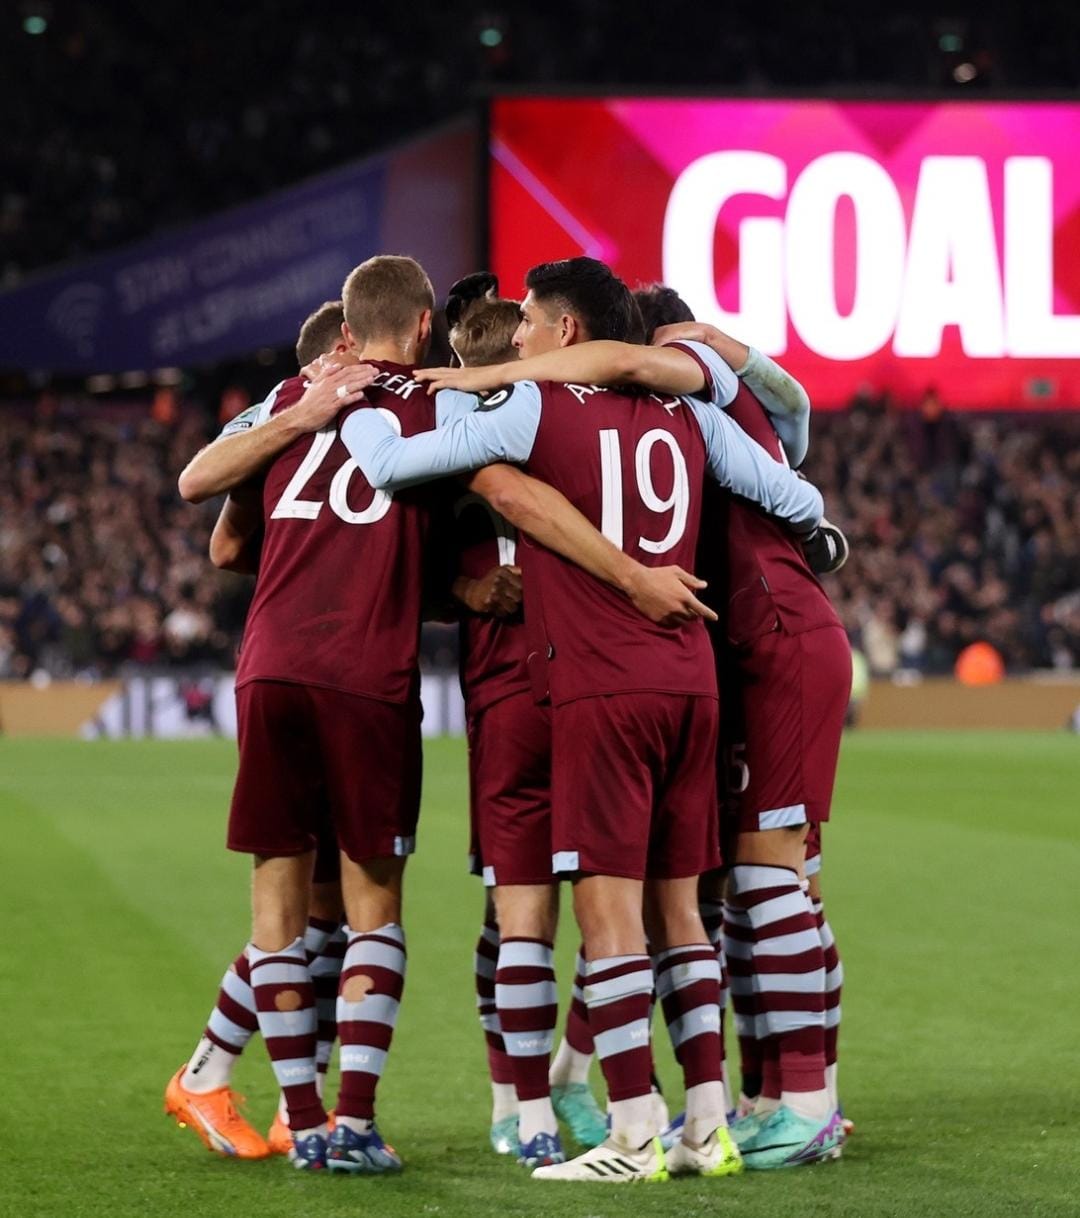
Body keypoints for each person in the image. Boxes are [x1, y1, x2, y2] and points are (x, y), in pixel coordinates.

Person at [340, 256, 828, 1183]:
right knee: (683, 915)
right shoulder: (690, 414)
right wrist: (820, 540)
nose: (516, 336)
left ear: (568, 332)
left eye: (527, 320)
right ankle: (707, 1129)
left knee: (610, 923)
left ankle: (633, 1137)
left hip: (603, 686)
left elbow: (394, 463)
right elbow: (790, 490)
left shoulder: (535, 409)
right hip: (694, 682)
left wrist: (360, 401)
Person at [164, 301, 357, 1162]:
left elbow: (226, 547)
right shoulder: (291, 409)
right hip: (306, 671)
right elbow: (217, 532)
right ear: (333, 358)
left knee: (330, 915)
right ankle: (213, 1075)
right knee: (308, 914)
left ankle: (278, 1095)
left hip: (326, 668)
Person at [445, 275, 608, 1167]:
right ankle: (526, 1097)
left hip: (535, 699)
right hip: (553, 694)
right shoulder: (576, 431)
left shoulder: (449, 447)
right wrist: (467, 588)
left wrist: (465, 586)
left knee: (528, 922)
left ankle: (540, 1098)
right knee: (585, 914)